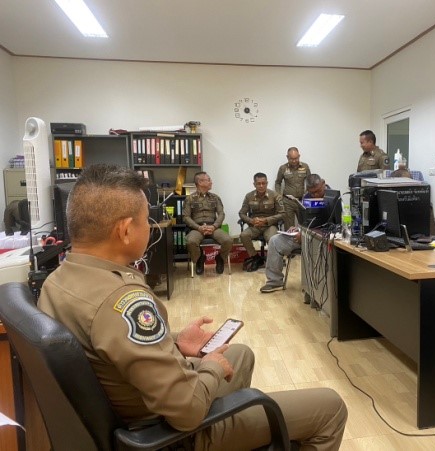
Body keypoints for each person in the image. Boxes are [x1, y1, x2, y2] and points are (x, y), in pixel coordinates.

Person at [37, 164, 347, 450]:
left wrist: (173, 340)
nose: (151, 227)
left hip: (139, 402)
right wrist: (211, 366)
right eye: (147, 220)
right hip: (173, 434)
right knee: (330, 407)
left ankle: (242, 432)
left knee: (240, 354)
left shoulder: (57, 280)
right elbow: (187, 411)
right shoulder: (123, 301)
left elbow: (110, 344)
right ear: (126, 230)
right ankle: (230, 432)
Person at [260, 174, 329, 293]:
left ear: (323, 183)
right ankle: (275, 282)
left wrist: (304, 235)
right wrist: (298, 229)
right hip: (304, 236)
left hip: (322, 239)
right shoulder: (307, 197)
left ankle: (314, 286)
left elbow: (336, 224)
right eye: (312, 192)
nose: (315, 195)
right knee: (275, 240)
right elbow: (305, 221)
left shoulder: (333, 197)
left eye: (317, 191)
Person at [183, 172, 232, 275]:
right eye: (208, 180)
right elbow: (186, 217)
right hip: (197, 229)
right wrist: (198, 227)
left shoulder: (215, 197)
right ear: (200, 182)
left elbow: (221, 214)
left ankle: (220, 258)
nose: (211, 182)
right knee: (191, 241)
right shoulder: (190, 199)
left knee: (228, 240)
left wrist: (214, 226)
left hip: (213, 227)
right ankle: (200, 258)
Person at [239, 172, 285, 272]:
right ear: (254, 184)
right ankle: (256, 258)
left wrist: (266, 220)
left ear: (267, 183)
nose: (261, 186)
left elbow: (282, 214)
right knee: (243, 235)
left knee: (272, 238)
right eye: (258, 183)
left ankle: (273, 260)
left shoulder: (275, 195)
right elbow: (242, 213)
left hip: (270, 225)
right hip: (255, 225)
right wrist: (251, 221)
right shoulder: (249, 196)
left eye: (263, 183)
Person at [274, 147, 311, 229]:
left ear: (299, 156)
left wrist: (307, 194)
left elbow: (310, 182)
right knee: (289, 227)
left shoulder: (305, 167)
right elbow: (278, 183)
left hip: (301, 201)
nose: (294, 161)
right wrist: (279, 195)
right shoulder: (283, 168)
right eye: (291, 159)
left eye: (296, 158)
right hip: (288, 202)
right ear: (287, 157)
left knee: (304, 226)